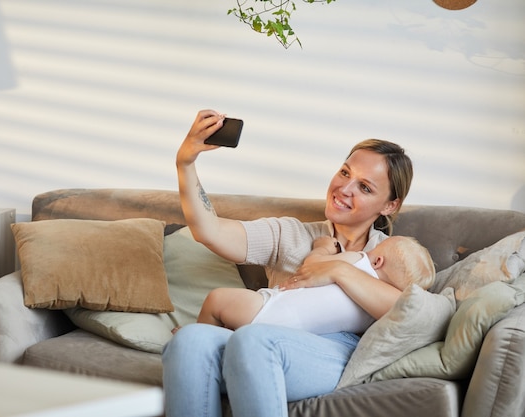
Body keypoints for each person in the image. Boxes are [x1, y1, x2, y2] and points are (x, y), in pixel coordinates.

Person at [162, 109, 415, 417]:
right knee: (188, 340)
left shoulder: (389, 256)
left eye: (364, 187)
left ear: (390, 205)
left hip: (334, 350)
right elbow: (209, 231)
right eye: (345, 173)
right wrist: (185, 162)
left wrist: (336, 268)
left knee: (253, 340)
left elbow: (411, 312)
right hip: (261, 339)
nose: (344, 189)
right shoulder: (291, 234)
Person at [196, 235, 435, 334]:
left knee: (216, 299)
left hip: (268, 309)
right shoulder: (376, 313)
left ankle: (200, 334)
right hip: (294, 333)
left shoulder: (360, 261)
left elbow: (312, 266)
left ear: (378, 259)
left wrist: (323, 247)